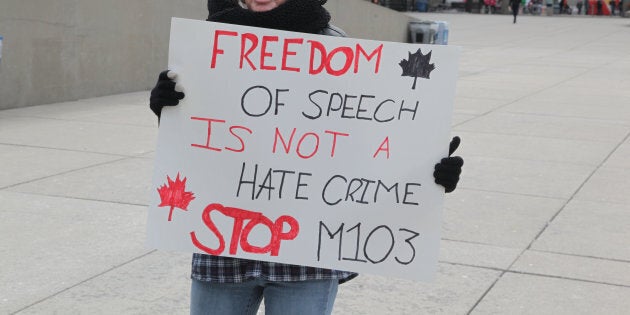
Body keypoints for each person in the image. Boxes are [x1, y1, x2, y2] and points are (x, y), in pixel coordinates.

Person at [149, 0, 464, 314]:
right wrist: (169, 110)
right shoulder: (209, 43)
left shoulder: (335, 49)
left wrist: (426, 169)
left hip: (305, 258)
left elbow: (366, 141)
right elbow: (200, 139)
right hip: (222, 245)